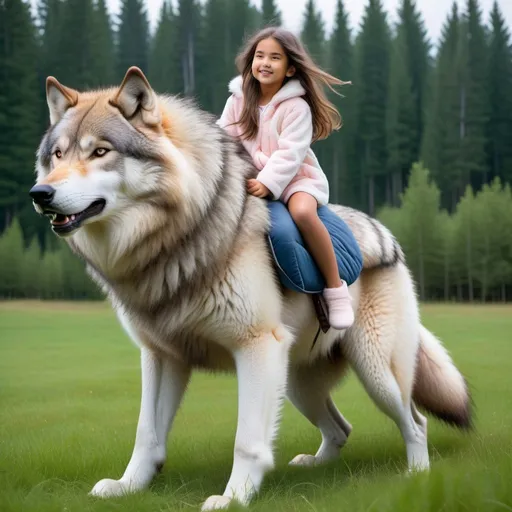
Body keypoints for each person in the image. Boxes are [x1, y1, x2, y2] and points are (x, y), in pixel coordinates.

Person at [217, 27, 354, 330]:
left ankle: (335, 288)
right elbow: (224, 139)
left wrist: (268, 183)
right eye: (260, 56)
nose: (265, 63)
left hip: (296, 180)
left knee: (303, 213)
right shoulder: (237, 101)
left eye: (275, 58)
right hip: (251, 179)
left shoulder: (296, 107)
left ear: (290, 68)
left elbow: (290, 154)